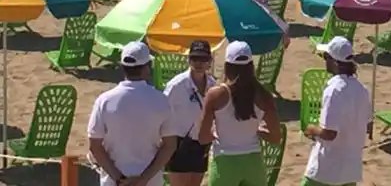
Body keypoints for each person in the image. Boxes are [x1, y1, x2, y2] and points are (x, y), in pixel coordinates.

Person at [87, 42, 178, 186]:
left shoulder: (104, 100)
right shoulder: (161, 100)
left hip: (113, 182)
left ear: (123, 68)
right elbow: (170, 145)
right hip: (150, 182)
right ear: (147, 68)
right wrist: (143, 179)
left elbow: (95, 146)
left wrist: (119, 179)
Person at [198, 41, 281, 186]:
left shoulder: (215, 95)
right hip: (253, 164)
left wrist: (216, 133)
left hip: (225, 163)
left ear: (227, 66)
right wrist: (258, 131)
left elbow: (203, 137)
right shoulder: (264, 96)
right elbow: (275, 137)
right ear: (251, 66)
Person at [304, 37, 372, 186]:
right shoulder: (363, 89)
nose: (324, 61)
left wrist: (311, 129)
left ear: (334, 62)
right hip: (350, 170)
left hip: (327, 169)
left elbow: (329, 133)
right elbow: (368, 125)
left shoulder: (334, 90)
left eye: (326, 57)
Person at [164, 41, 216, 186]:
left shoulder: (212, 85)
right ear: (188, 60)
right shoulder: (176, 85)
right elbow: (161, 112)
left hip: (201, 144)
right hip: (179, 144)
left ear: (210, 61)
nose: (199, 63)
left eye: (203, 59)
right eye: (195, 58)